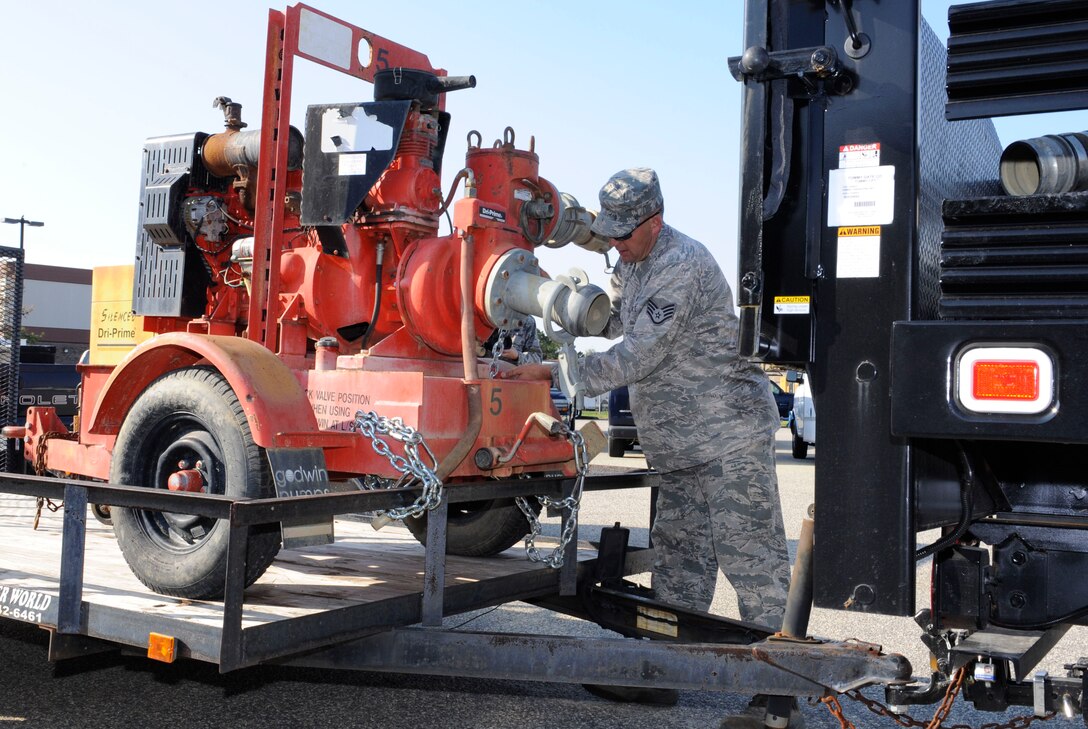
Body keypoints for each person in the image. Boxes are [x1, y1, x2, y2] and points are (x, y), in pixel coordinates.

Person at [503, 167, 791, 626]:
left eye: (623, 234)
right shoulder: (631, 262)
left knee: (755, 566)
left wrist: (555, 371)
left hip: (727, 440)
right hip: (678, 447)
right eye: (610, 235)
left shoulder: (681, 264)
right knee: (679, 567)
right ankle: (672, 669)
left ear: (655, 221)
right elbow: (617, 321)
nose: (615, 243)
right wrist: (571, 306)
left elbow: (638, 355)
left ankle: (778, 690)